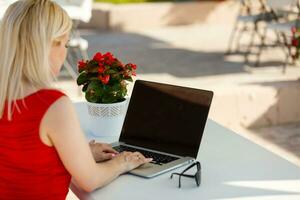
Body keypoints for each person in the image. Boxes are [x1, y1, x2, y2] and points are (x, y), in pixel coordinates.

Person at [0, 0, 152, 199]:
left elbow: (24, 158)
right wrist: (122, 162)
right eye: (64, 43)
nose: (65, 52)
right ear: (47, 46)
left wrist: (80, 153)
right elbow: (89, 180)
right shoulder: (52, 105)